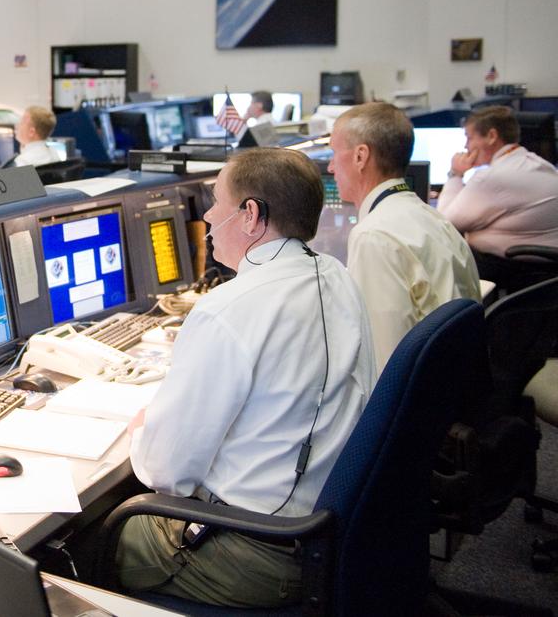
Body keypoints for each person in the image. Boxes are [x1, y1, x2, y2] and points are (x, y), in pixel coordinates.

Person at [118, 148, 374, 608]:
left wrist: (141, 431)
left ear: (251, 215)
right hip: (326, 534)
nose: (210, 215)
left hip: (255, 552)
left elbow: (167, 472)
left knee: (101, 538)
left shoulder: (229, 309)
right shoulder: (337, 276)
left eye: (216, 201)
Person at [327, 101, 480, 368]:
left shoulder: (374, 235)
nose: (330, 167)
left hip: (422, 401)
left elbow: (385, 361)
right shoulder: (433, 218)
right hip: (456, 388)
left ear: (360, 157)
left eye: (333, 153)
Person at [436, 106, 558, 288]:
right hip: (544, 270)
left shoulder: (493, 177)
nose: (465, 146)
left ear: (492, 136)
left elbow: (444, 223)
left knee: (442, 248)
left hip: (517, 268)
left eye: (469, 138)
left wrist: (455, 174)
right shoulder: (539, 164)